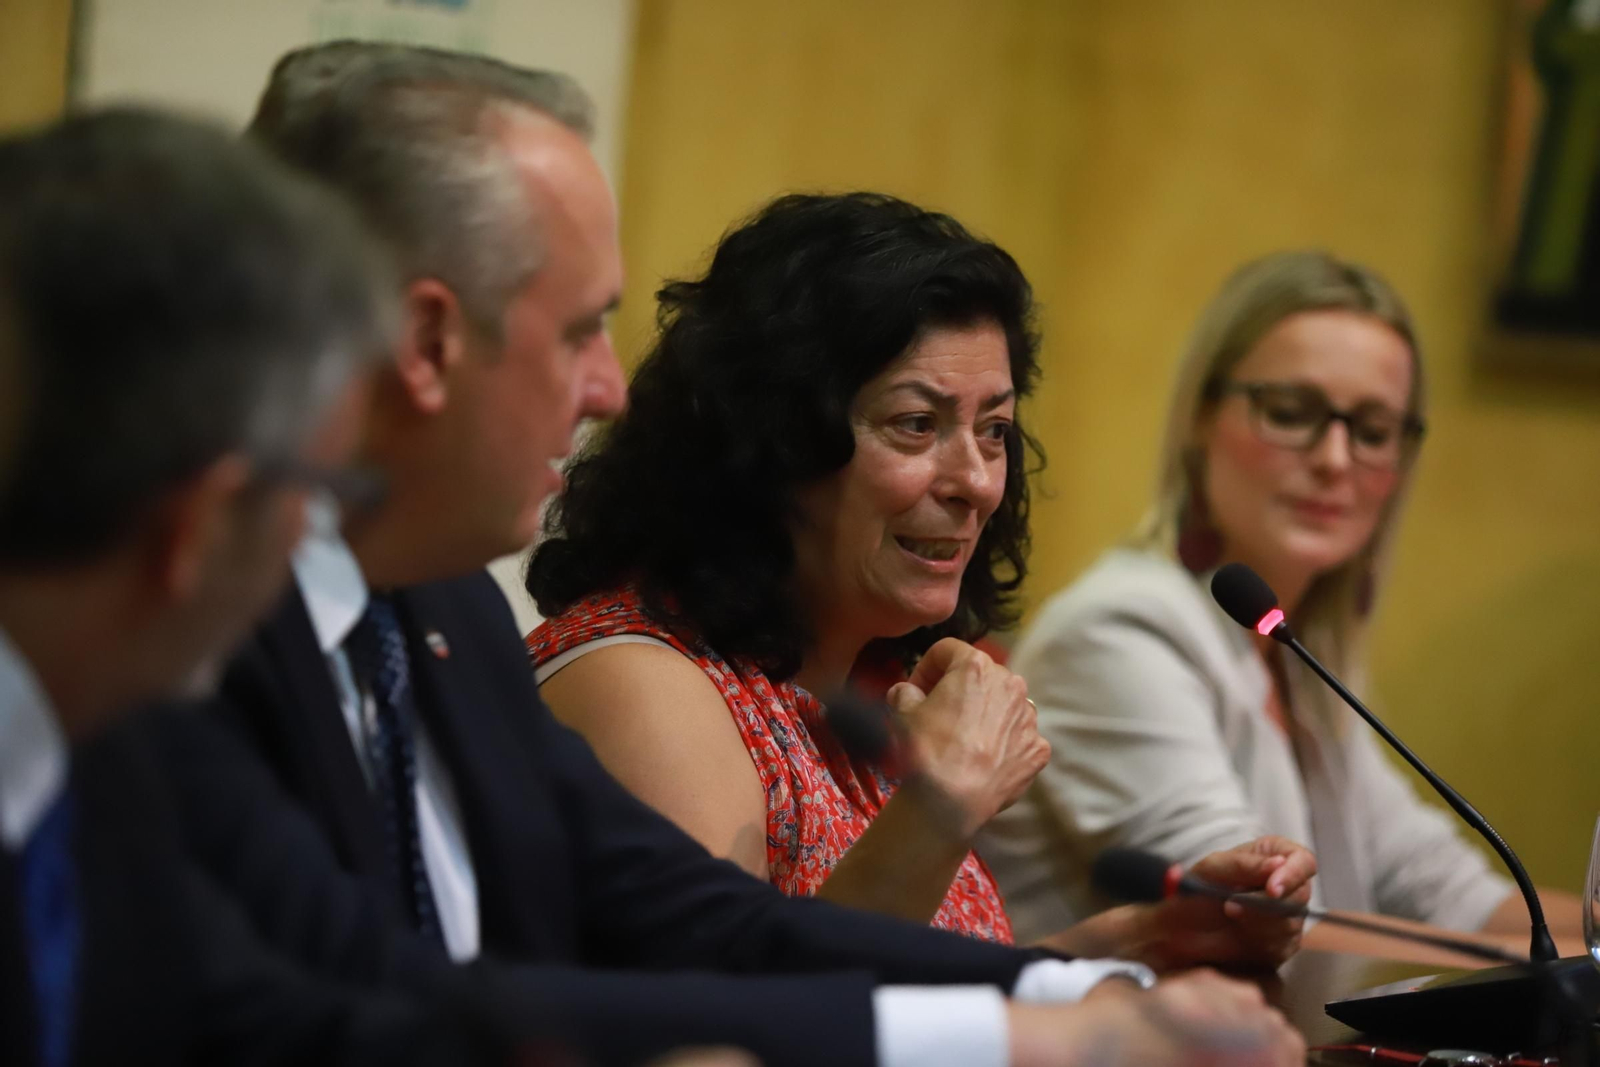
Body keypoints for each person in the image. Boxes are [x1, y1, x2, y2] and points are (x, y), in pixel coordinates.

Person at [149, 41, 1306, 1067]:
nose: (606, 387)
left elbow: (710, 924)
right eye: (576, 330)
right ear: (426, 341)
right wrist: (1052, 1022)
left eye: (995, 430)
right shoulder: (182, 639)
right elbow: (433, 1001)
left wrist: (1075, 988)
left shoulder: (444, 613)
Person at [526, 191, 1312, 969]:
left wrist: (1139, 941)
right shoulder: (644, 686)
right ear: (771, 442)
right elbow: (731, 1023)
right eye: (916, 424)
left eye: (994, 430)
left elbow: (916, 995)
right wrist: (942, 805)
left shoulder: (850, 693)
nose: (977, 481)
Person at [0, 107, 485, 1066]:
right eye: (318, 491)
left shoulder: (97, 740)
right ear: (202, 526)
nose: (313, 534)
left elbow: (267, 1021)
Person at [977, 250, 1585, 947]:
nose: (1334, 459)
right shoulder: (1117, 632)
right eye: (1291, 412)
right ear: (1202, 417)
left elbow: (1446, 890)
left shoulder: (1297, 654)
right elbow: (1254, 921)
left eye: (1373, 431)